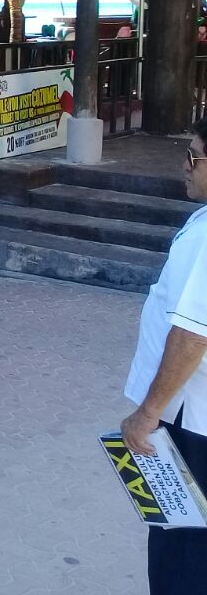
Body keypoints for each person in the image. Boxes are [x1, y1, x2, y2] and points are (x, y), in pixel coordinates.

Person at [121, 120, 207, 595]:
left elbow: (193, 334)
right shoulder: (201, 219)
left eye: (194, 157)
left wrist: (147, 413)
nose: (185, 166)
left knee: (181, 548)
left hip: (191, 422)